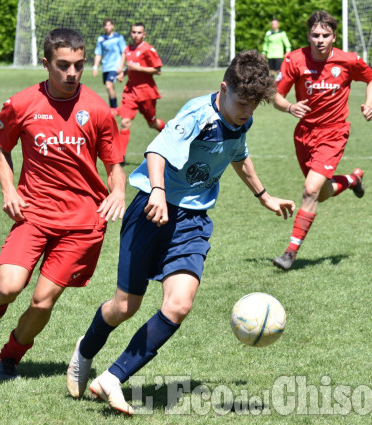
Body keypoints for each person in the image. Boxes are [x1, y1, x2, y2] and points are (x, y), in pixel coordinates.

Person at [65, 50, 296, 415]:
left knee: (179, 304)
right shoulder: (198, 114)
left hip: (193, 221)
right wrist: (157, 191)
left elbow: (238, 153)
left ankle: (111, 379)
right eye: (241, 101)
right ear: (224, 88)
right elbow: (157, 151)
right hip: (151, 210)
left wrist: (263, 195)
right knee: (125, 306)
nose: (247, 111)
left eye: (254, 105)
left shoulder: (241, 120)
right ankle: (85, 350)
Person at [0, 28, 126, 383]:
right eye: (63, 65)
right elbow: (2, 150)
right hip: (33, 213)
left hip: (83, 222)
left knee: (42, 301)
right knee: (8, 286)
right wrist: (9, 190)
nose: (72, 73)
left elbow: (115, 166)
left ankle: (9, 357)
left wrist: (117, 193)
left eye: (79, 66)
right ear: (46, 63)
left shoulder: (97, 110)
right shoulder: (20, 104)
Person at [271, 10, 372, 271]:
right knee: (320, 194)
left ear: (333, 37)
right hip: (304, 134)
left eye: (325, 35)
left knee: (309, 191)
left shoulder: (348, 60)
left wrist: (369, 103)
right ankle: (353, 179)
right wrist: (289, 107)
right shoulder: (294, 59)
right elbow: (276, 95)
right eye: (315, 35)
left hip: (333, 133)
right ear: (308, 35)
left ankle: (290, 253)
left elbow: (371, 78)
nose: (319, 40)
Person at [115, 22, 165, 161]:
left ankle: (171, 133)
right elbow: (130, 67)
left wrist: (139, 69)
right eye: (133, 32)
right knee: (125, 122)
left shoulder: (148, 49)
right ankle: (121, 156)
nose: (136, 35)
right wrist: (123, 74)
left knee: (152, 124)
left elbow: (158, 70)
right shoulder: (128, 49)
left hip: (146, 92)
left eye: (139, 33)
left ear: (144, 34)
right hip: (130, 91)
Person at [92, 18, 127, 110]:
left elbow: (124, 52)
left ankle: (114, 108)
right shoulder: (101, 39)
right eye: (105, 25)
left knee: (108, 85)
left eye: (109, 25)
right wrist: (95, 67)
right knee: (110, 87)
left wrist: (121, 66)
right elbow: (98, 54)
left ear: (112, 26)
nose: (107, 27)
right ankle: (114, 106)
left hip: (115, 66)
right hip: (105, 67)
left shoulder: (118, 37)